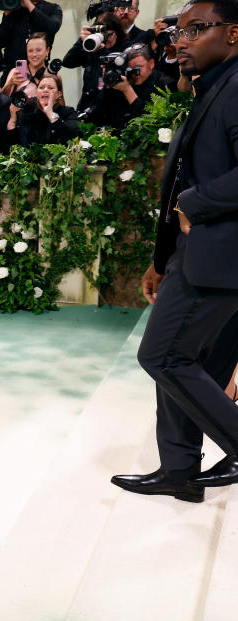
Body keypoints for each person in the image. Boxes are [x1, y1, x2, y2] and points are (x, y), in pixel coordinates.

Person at [112, 0, 238, 502]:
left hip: (220, 254)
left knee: (163, 355)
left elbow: (194, 190)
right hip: (199, 253)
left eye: (195, 30)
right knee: (185, 362)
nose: (180, 42)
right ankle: (180, 470)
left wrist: (195, 201)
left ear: (232, 33)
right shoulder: (214, 86)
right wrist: (161, 261)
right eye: (178, 34)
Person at [82, 43, 176, 130]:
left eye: (138, 68)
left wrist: (127, 90)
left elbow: (151, 121)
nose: (135, 74)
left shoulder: (166, 83)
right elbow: (98, 112)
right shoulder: (123, 81)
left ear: (151, 63)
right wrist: (109, 83)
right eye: (130, 69)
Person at [62, 12, 129, 112]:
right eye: (103, 35)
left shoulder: (125, 49)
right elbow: (68, 62)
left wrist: (101, 51)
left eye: (109, 35)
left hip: (110, 109)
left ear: (118, 33)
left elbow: (114, 75)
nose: (106, 39)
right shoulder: (92, 47)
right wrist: (82, 41)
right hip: (86, 107)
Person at [7, 73, 79, 146]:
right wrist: (12, 120)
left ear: (58, 94)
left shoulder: (68, 112)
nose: (45, 90)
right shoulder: (28, 112)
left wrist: (51, 114)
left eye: (50, 88)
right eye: (41, 87)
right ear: (37, 93)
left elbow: (72, 140)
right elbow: (13, 145)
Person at [0, 0, 63, 78]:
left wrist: (29, 5)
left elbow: (52, 27)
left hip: (39, 71)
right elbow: (0, 42)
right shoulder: (14, 9)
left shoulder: (53, 8)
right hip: (13, 70)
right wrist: (7, 13)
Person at [0, 32, 53, 98]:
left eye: (38, 50)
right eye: (30, 51)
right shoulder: (16, 72)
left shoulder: (53, 75)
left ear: (47, 51)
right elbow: (0, 101)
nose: (34, 54)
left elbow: (61, 106)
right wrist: (10, 83)